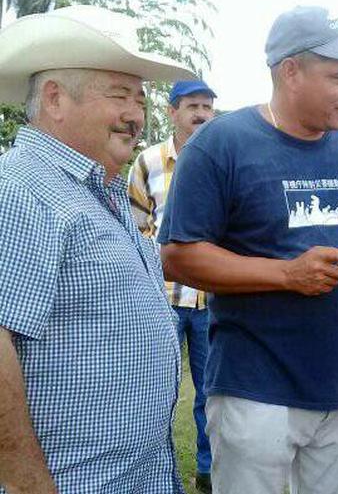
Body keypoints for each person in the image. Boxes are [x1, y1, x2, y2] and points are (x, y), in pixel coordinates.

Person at [157, 6, 338, 494]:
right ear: (291, 71)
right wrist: (287, 275)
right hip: (256, 390)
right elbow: (178, 255)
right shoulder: (220, 145)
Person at [0, 5, 194, 493]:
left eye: (141, 98)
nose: (137, 115)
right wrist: (27, 485)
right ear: (55, 98)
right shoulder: (22, 189)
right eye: (120, 95)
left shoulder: (97, 189)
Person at [128, 79, 217, 494]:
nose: (201, 114)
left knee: (212, 390)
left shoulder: (222, 157)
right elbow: (136, 227)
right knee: (154, 389)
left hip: (212, 298)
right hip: (162, 298)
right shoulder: (147, 161)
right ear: (172, 111)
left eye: (208, 107)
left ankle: (208, 470)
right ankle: (150, 471)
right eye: (193, 106)